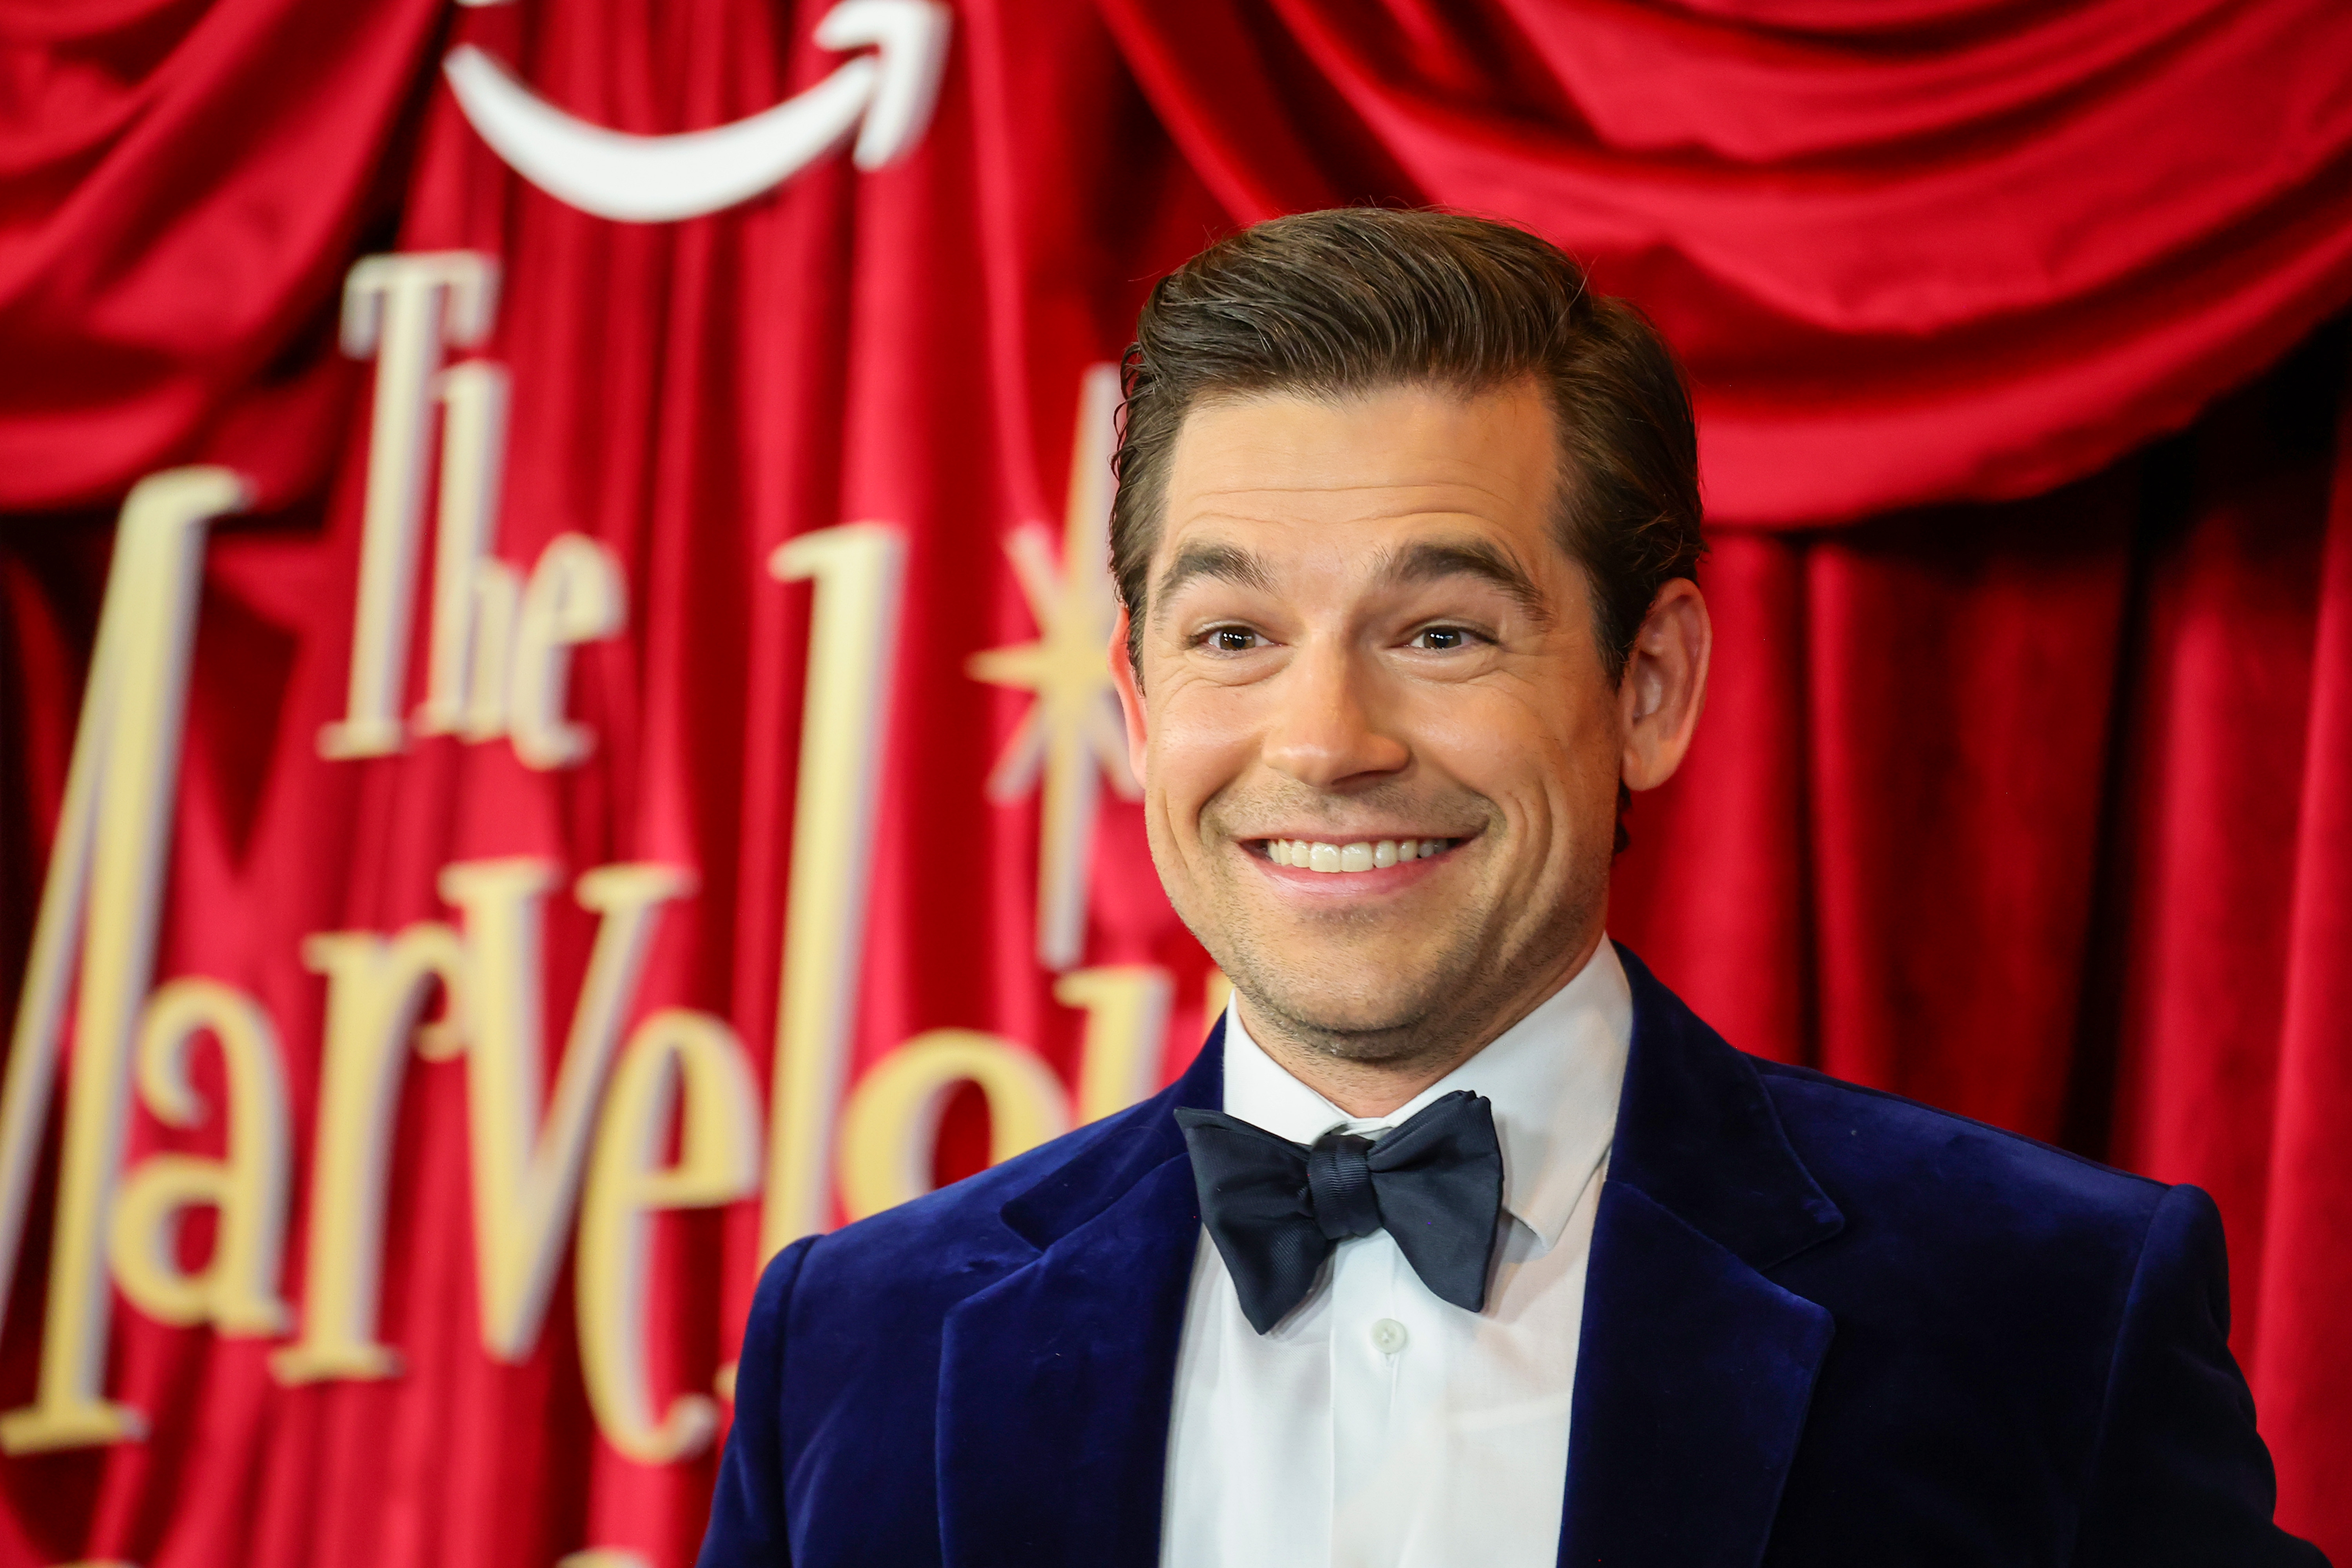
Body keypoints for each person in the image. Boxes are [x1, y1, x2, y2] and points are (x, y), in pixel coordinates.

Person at [697, 208, 2325, 1567]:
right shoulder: (853, 1341)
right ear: (1136, 705)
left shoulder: (2049, 1311)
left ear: (1652, 684)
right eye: (1234, 639)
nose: (1326, 741)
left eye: (1442, 634)